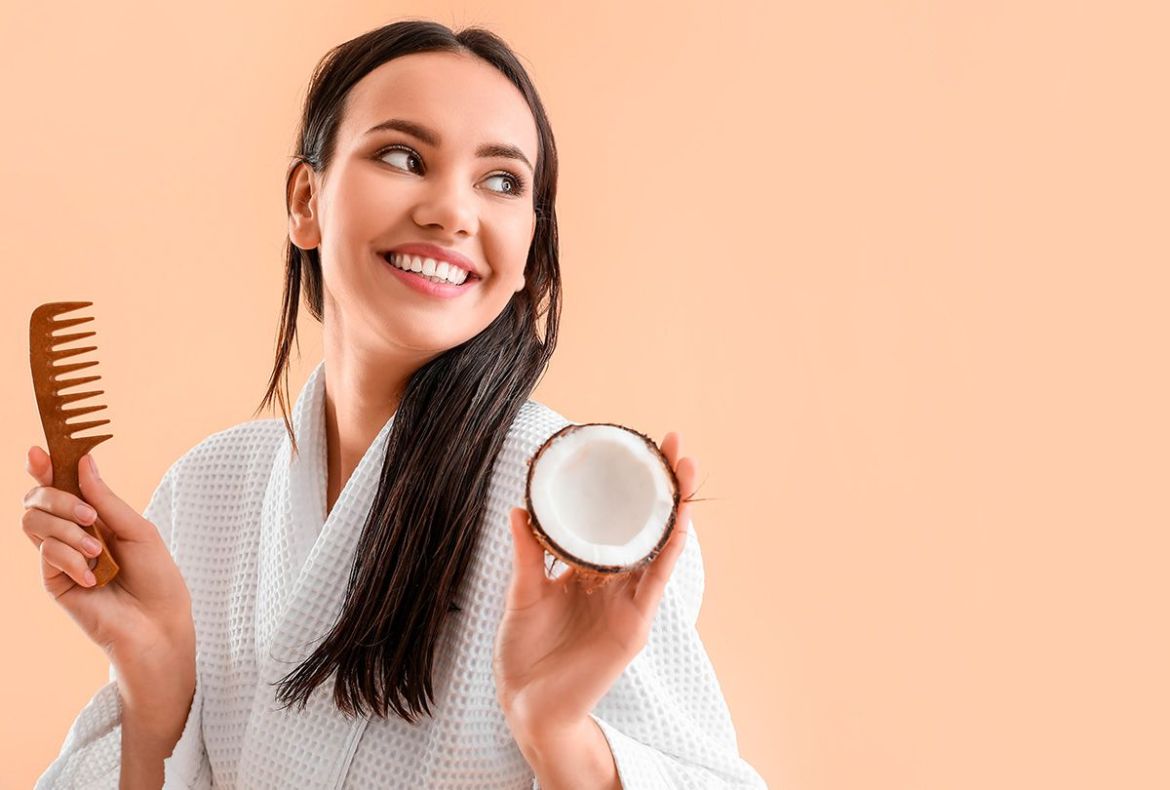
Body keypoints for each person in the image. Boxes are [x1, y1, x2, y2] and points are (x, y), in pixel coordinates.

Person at [24, 19, 767, 789]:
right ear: (305, 198)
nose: (452, 212)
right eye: (404, 157)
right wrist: (155, 691)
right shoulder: (209, 491)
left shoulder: (569, 510)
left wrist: (559, 736)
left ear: (527, 250)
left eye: (503, 181)